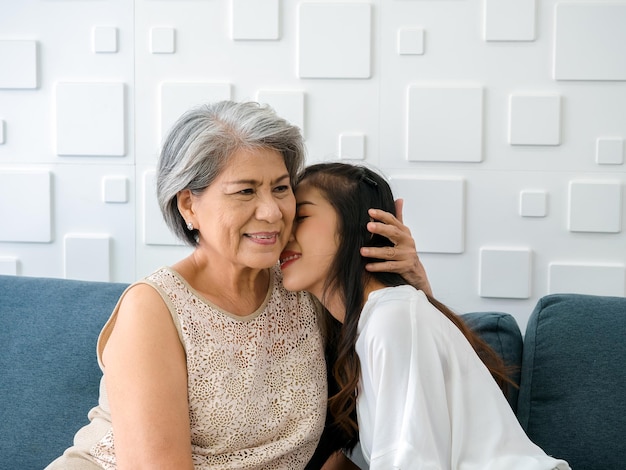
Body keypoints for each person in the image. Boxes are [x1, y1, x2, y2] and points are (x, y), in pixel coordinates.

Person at [45, 101, 430, 470]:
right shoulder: (153, 308)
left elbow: (404, 394)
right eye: (245, 191)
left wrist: (412, 286)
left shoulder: (302, 286)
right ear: (188, 206)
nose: (272, 212)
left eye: (281, 188)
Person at [279, 162, 572, 470]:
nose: (284, 233)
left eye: (301, 216)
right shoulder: (373, 326)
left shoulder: (393, 319)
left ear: (362, 226)